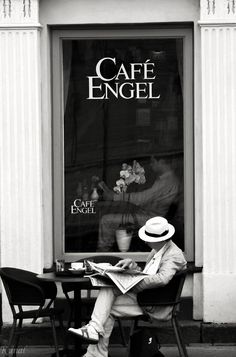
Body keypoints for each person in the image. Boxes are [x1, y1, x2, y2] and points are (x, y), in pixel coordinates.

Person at [69, 216, 187, 357]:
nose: (145, 241)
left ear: (160, 239)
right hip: (147, 298)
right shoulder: (159, 250)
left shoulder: (173, 255)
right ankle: (94, 336)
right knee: (107, 304)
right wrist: (132, 265)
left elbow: (162, 278)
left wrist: (133, 284)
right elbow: (147, 274)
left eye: (148, 239)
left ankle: (94, 347)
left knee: (107, 306)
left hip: (157, 304)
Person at [97, 155, 180, 251]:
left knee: (106, 220)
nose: (151, 165)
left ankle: (102, 253)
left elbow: (142, 198)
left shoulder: (167, 182)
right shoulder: (165, 180)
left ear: (161, 162)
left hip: (149, 218)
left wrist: (115, 197)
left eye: (153, 162)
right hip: (147, 215)